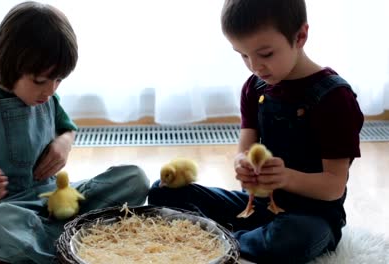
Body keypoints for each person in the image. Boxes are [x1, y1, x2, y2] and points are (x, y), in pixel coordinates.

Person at [0, 2, 149, 263]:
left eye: (59, 80)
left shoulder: (47, 99)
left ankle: (55, 240)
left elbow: (67, 130)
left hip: (53, 202)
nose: (51, 90)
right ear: (9, 65)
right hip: (2, 211)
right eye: (40, 81)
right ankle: (72, 244)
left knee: (134, 178)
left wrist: (63, 143)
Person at [147, 0, 363, 263]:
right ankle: (237, 237)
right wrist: (243, 165)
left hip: (311, 217)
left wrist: (284, 177)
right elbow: (244, 151)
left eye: (266, 54)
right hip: (258, 206)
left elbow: (333, 186)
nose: (254, 66)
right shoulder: (254, 88)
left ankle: (217, 239)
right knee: (163, 191)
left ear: (301, 36)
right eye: (243, 54)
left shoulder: (334, 98)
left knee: (291, 239)